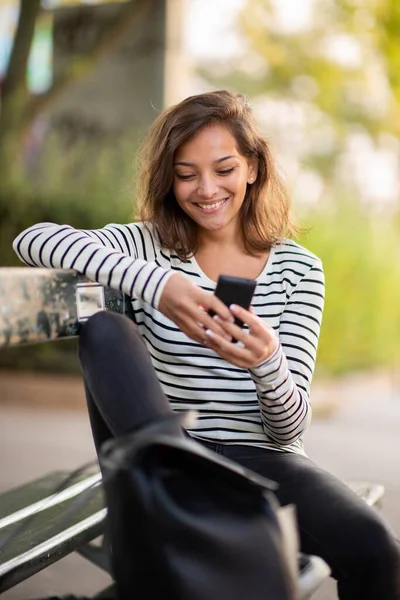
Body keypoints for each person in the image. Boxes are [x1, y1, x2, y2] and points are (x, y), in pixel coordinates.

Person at [13, 90, 400, 599]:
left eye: (224, 169)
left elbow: (289, 426)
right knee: (107, 329)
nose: (206, 189)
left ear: (253, 168)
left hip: (261, 461)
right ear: (169, 179)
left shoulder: (299, 270)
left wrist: (267, 363)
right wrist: (161, 286)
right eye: (186, 173)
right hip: (171, 459)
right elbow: (34, 239)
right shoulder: (148, 245)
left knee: (378, 552)